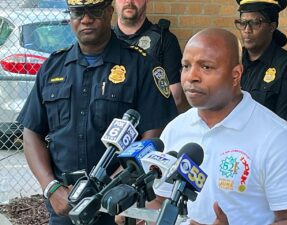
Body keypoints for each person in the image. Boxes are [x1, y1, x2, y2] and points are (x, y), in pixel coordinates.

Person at [16, 0, 178, 224]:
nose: (86, 18)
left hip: (119, 205)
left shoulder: (141, 66)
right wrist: (51, 187)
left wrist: (111, 187)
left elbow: (154, 135)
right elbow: (31, 132)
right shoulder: (52, 67)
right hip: (64, 204)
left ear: (110, 12)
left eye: (95, 10)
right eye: (78, 11)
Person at [151, 28, 287, 225]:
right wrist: (136, 214)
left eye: (206, 67)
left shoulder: (278, 137)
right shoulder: (174, 129)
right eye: (186, 66)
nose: (191, 77)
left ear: (236, 74)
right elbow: (160, 200)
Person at [234, 0, 287, 128]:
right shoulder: (233, 60)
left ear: (272, 27)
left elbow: (286, 126)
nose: (247, 30)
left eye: (255, 23)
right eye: (243, 23)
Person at [114, 0, 189, 113]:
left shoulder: (164, 40)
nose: (129, 1)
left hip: (149, 124)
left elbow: (175, 97)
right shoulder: (103, 40)